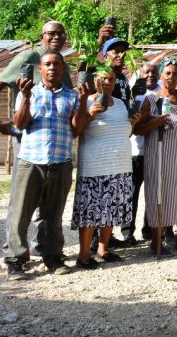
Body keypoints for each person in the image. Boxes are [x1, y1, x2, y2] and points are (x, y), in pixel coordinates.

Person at [0, 21, 73, 260]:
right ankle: (15, 255)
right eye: (51, 33)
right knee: (22, 202)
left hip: (56, 145)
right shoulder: (29, 56)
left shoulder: (62, 65)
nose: (56, 37)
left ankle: (45, 249)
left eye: (61, 34)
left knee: (51, 204)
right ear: (41, 36)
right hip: (27, 138)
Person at [4, 51, 86, 279]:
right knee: (20, 214)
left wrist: (83, 102)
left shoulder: (71, 96)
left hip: (60, 163)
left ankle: (52, 257)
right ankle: (15, 261)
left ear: (63, 69)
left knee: (53, 215)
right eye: (47, 64)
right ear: (40, 69)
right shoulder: (27, 94)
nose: (52, 68)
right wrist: (26, 97)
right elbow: (20, 125)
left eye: (56, 64)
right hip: (31, 162)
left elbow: (77, 129)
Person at [133, 56, 177, 255]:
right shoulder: (152, 99)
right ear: (161, 75)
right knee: (159, 196)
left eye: (175, 74)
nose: (171, 77)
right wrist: (156, 122)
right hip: (161, 156)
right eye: (167, 73)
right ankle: (156, 243)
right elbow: (138, 129)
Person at [71, 70, 140, 268]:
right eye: (103, 79)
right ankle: (84, 255)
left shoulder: (119, 104)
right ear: (95, 81)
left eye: (110, 79)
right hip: (95, 165)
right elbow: (76, 130)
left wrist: (133, 123)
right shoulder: (86, 101)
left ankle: (104, 249)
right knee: (90, 211)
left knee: (111, 209)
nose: (107, 83)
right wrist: (91, 113)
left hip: (119, 164)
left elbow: (124, 132)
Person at [122, 62, 158, 245]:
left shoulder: (162, 92)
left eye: (154, 72)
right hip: (136, 150)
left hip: (155, 151)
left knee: (152, 193)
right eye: (147, 72)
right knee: (132, 193)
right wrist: (133, 97)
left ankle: (149, 228)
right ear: (141, 73)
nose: (150, 75)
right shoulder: (131, 90)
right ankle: (128, 232)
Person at [102, 37, 132, 105]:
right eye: (116, 52)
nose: (120, 55)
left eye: (122, 52)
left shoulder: (124, 77)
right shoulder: (103, 76)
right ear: (106, 57)